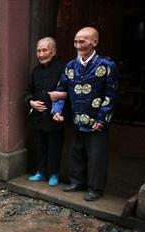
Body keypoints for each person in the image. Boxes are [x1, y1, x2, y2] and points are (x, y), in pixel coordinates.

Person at [51, 27, 118, 201]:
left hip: (97, 121)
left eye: (83, 41)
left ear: (94, 42)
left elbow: (111, 96)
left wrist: (102, 119)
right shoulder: (71, 66)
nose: (78, 45)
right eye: (76, 41)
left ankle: (95, 188)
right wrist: (57, 111)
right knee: (77, 152)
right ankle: (76, 182)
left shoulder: (107, 65)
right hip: (77, 118)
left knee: (97, 156)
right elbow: (61, 90)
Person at [24, 37, 65, 187]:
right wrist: (31, 102)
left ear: (53, 51)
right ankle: (40, 172)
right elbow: (28, 91)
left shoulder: (62, 68)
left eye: (44, 50)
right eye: (38, 51)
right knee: (39, 146)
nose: (40, 54)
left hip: (55, 117)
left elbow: (68, 90)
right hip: (37, 117)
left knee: (54, 147)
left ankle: (53, 173)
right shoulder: (35, 71)